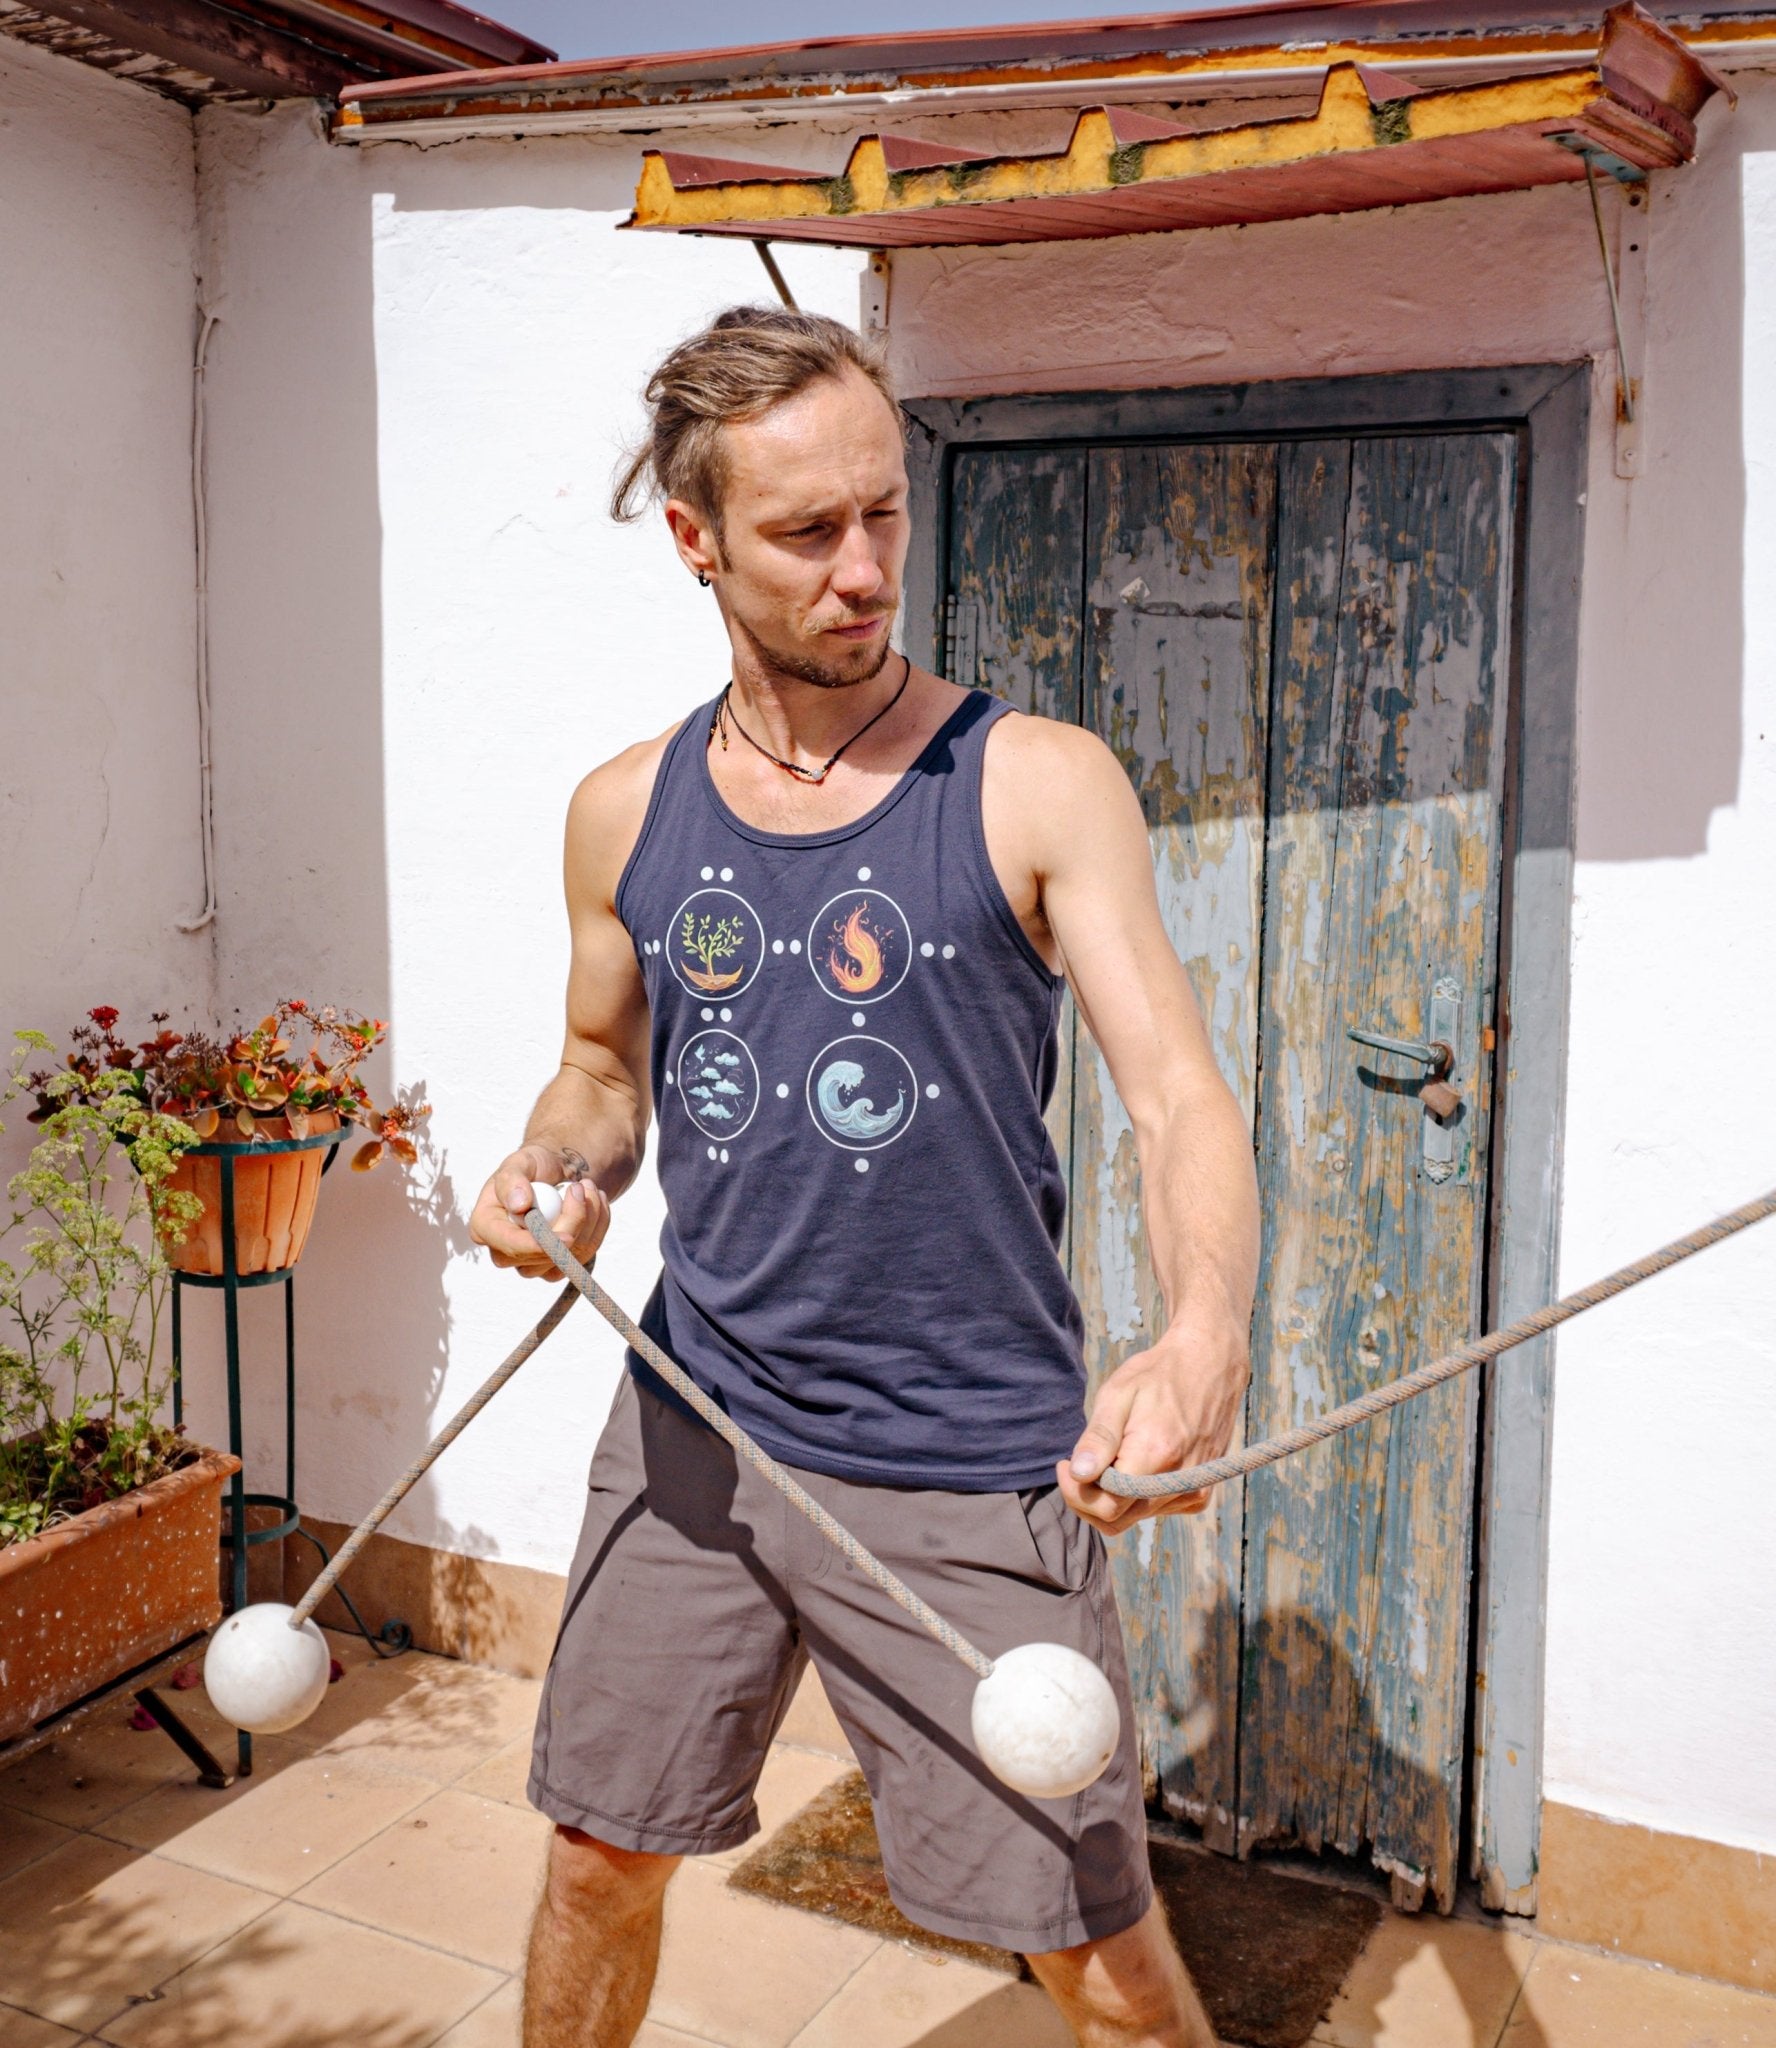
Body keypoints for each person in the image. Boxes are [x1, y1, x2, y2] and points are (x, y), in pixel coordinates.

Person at [469, 305, 1259, 2048]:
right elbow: (604, 1075)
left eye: (883, 514)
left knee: (1095, 1959)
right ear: (694, 541)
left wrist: (1201, 1336)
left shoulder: (1035, 782)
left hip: (966, 1462)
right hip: (699, 1419)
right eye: (806, 531)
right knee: (599, 1858)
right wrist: (555, 1167)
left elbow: (1180, 1097)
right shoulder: (625, 809)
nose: (864, 568)